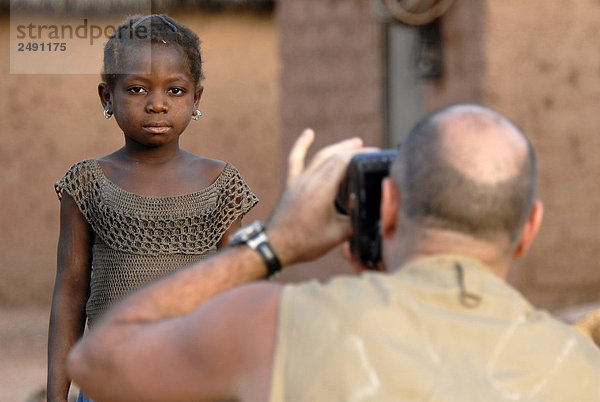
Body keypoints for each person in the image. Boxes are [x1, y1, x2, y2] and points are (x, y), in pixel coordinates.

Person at [67, 104, 600, 401]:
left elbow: (98, 361)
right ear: (529, 229)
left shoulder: (273, 327)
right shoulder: (582, 368)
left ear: (387, 206)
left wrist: (274, 243)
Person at [47, 14, 258, 402]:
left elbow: (239, 292)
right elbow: (70, 293)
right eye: (138, 89)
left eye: (175, 91)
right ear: (107, 97)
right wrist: (56, 396)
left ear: (197, 99)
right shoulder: (87, 183)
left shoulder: (222, 185)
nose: (157, 105)